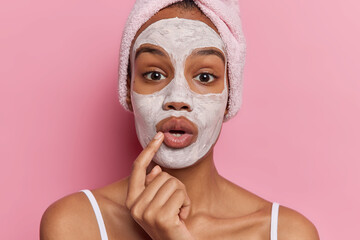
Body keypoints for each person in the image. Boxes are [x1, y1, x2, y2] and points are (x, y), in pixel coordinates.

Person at [40, 0, 319, 239]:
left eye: (205, 77)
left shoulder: (285, 233)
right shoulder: (75, 223)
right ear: (127, 90)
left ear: (230, 95)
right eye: (154, 74)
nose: (177, 99)